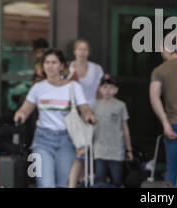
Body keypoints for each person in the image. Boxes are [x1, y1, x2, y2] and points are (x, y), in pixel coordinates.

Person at [14, 48, 97, 188]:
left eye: (54, 62)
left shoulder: (73, 87)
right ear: (43, 66)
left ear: (61, 66)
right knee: (46, 184)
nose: (50, 66)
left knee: (62, 184)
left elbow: (84, 108)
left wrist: (89, 115)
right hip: (42, 141)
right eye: (47, 62)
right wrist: (20, 114)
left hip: (66, 141)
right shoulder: (38, 88)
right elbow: (25, 109)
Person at [67, 39, 104, 187]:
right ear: (74, 51)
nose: (82, 53)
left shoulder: (96, 69)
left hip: (91, 112)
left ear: (89, 52)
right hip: (73, 113)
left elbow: (100, 92)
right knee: (77, 150)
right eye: (79, 49)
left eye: (85, 49)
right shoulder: (68, 68)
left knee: (87, 149)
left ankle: (83, 179)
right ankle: (76, 181)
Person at [91, 74, 133, 187]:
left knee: (117, 181)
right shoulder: (94, 105)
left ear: (116, 90)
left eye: (111, 87)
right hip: (99, 150)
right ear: (99, 89)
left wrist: (129, 149)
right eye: (104, 87)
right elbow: (90, 128)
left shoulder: (120, 105)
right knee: (99, 181)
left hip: (116, 150)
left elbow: (125, 127)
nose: (108, 90)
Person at [149, 44, 177, 185]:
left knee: (173, 170)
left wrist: (165, 123)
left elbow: (154, 97)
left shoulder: (160, 70)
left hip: (174, 124)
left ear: (166, 49)